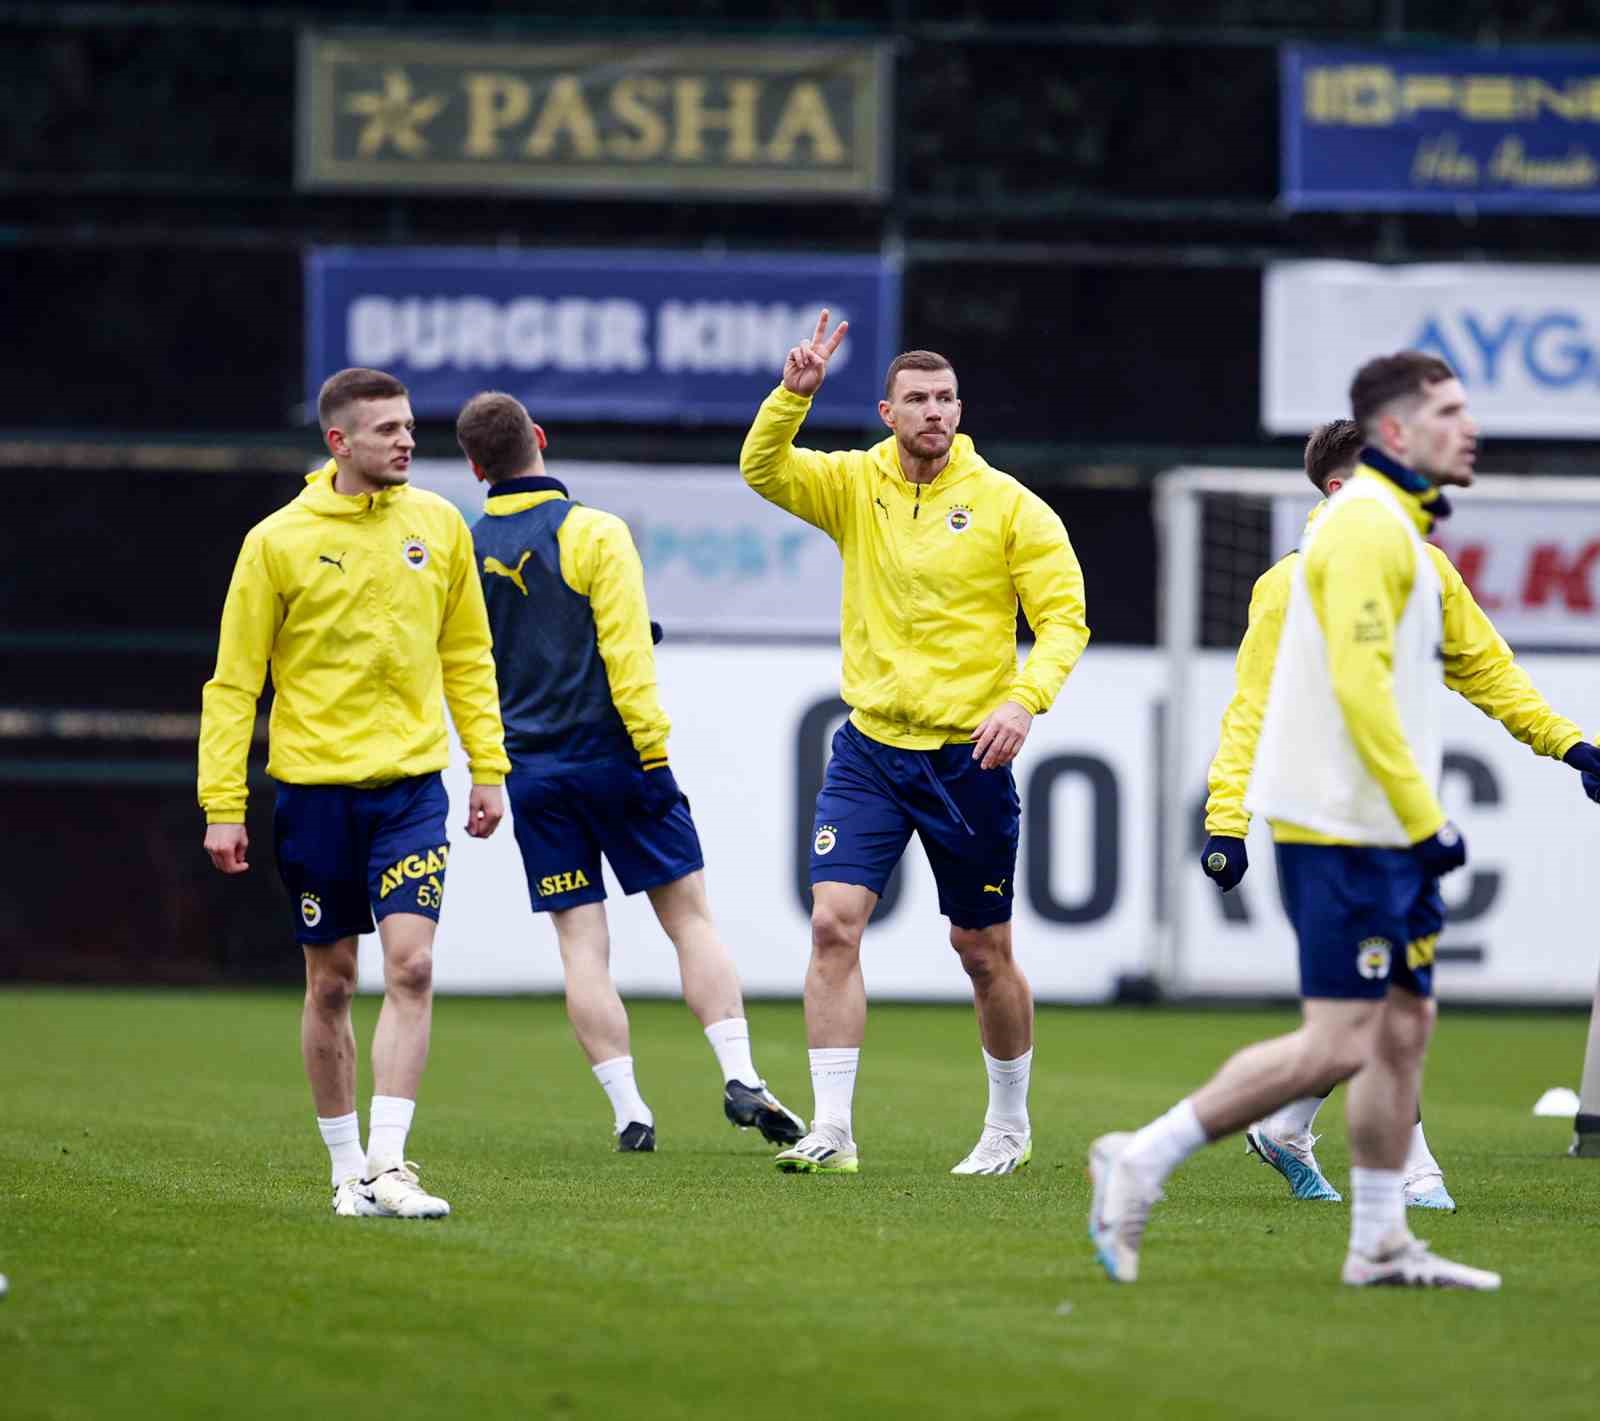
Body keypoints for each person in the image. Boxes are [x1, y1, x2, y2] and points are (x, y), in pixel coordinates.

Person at [1090, 351, 1511, 1289]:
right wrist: (1411, 818)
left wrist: (1568, 742)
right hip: (1341, 829)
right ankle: (1142, 1156)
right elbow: (1334, 692)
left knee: (1404, 1027)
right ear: (1396, 433)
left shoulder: (1409, 542)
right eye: (1449, 411)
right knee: (1340, 1041)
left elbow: (1476, 672)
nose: (1470, 427)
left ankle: (1379, 1240)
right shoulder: (1354, 534)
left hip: (1384, 828)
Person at [1200, 417, 1600, 1209]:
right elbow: (1251, 709)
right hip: (1319, 820)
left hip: (1400, 819)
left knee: (1378, 999)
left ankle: (1279, 1127)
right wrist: (1227, 818)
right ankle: (1412, 1170)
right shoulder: (1289, 584)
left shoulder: (1428, 573)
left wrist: (1569, 744)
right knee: (1384, 997)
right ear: (1342, 488)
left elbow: (1489, 672)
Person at [739, 311, 1090, 1176]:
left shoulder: (1009, 505)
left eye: (946, 398)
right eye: (918, 399)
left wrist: (1025, 700)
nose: (934, 410)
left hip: (968, 757)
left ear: (959, 410)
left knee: (982, 951)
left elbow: (1064, 620)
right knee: (833, 925)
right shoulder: (853, 484)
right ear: (887, 411)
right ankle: (833, 1128)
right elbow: (762, 468)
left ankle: (1008, 1125)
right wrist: (792, 397)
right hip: (869, 750)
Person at [454, 391, 804, 1154]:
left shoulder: (463, 550)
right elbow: (627, 658)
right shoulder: (594, 531)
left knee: (582, 944)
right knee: (689, 920)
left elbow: (468, 670)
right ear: (539, 437)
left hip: (533, 772)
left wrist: (491, 765)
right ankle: (740, 1073)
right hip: (617, 757)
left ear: (475, 467)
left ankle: (630, 1112)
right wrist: (653, 751)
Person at [199, 367, 509, 1219]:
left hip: (410, 789)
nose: (407, 440)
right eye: (387, 429)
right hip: (315, 796)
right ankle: (346, 1172)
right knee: (332, 984)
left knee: (412, 964)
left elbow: (467, 655)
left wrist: (488, 765)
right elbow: (235, 682)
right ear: (338, 442)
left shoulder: (440, 525)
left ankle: (390, 1163)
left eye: (409, 425)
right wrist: (222, 803)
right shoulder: (277, 541)